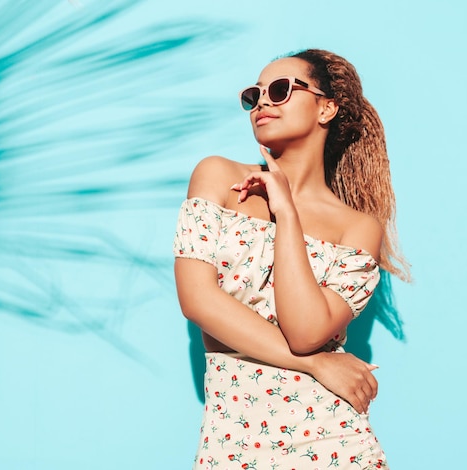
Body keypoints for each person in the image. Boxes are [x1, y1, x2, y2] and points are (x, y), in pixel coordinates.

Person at [173, 49, 409, 470]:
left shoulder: (357, 228)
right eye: (254, 95)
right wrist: (319, 364)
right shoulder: (218, 176)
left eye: (280, 90)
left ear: (326, 108)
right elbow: (197, 301)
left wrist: (286, 213)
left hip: (332, 439)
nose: (262, 102)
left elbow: (304, 332)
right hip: (234, 437)